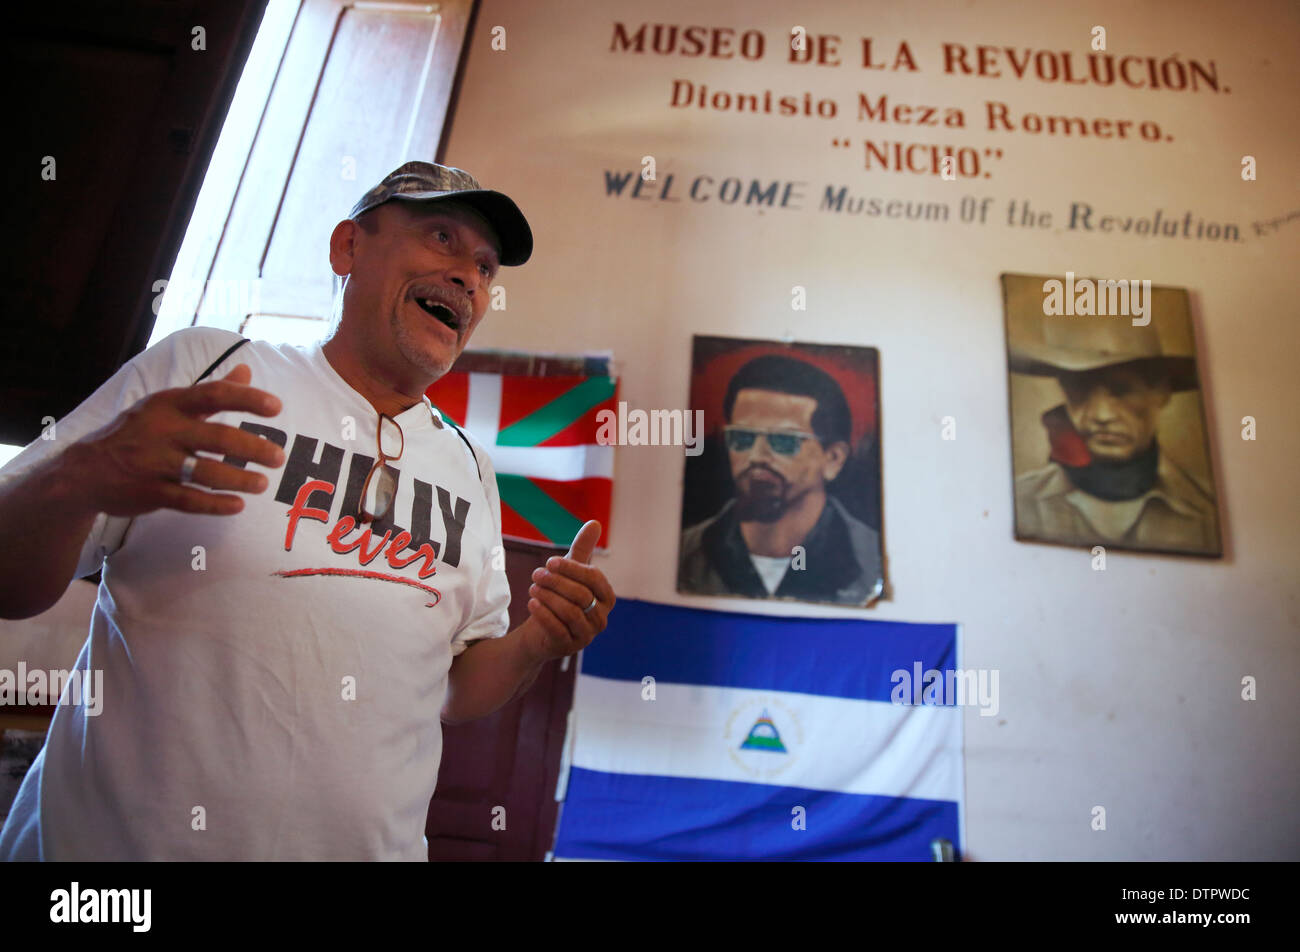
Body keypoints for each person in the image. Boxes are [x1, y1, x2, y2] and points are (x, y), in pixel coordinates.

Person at [0, 161, 616, 860]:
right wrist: (80, 476)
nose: (470, 278)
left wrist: (536, 643)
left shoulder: (470, 468)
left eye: (485, 267)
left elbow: (454, 688)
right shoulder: (209, 368)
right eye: (442, 238)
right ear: (347, 248)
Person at [677, 354, 882, 605]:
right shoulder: (687, 552)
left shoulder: (870, 561)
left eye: (784, 441)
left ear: (833, 459)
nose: (756, 456)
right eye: (742, 438)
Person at [1010, 315, 1220, 555]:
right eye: (1080, 389)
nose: (1101, 415)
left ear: (1161, 392)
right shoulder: (1019, 502)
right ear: (1065, 391)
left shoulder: (1209, 510)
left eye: (1122, 390)